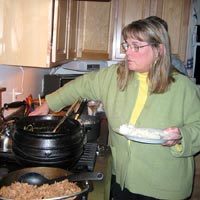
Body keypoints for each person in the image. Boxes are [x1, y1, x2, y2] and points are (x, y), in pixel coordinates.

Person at [29, 18, 200, 200]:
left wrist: (181, 137)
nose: (128, 53)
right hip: (121, 180)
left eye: (136, 46)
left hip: (164, 187)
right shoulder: (114, 76)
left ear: (158, 50)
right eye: (127, 45)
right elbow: (80, 86)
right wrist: (48, 104)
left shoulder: (183, 88)